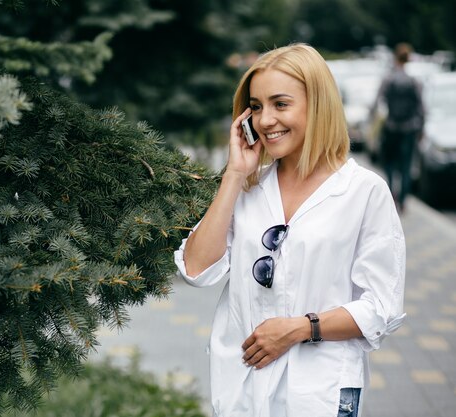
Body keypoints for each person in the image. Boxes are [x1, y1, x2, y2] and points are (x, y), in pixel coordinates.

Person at [174, 43, 406, 417]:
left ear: (318, 106)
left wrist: (301, 327)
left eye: (281, 104)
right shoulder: (249, 186)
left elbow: (381, 307)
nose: (265, 120)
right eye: (256, 106)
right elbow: (197, 269)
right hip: (241, 390)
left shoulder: (364, 192)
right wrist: (234, 175)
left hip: (318, 394)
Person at [375, 42, 425, 213]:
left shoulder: (389, 78)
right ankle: (403, 200)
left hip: (391, 127)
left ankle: (391, 194)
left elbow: (378, 101)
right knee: (406, 165)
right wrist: (421, 128)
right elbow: (421, 107)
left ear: (395, 57)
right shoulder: (413, 80)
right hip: (409, 128)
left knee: (389, 163)